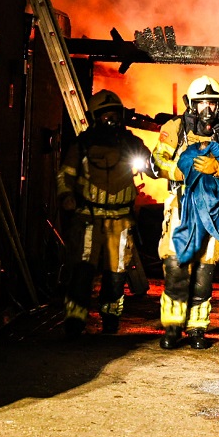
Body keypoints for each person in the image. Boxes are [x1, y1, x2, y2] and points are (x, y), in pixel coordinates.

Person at [151, 75, 219, 349]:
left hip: (212, 209)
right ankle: (172, 329)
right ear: (191, 104)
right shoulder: (175, 128)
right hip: (181, 206)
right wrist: (177, 170)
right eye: (202, 102)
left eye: (212, 103)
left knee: (204, 271)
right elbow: (158, 159)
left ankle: (197, 329)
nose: (207, 109)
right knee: (177, 268)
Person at [57, 90, 151, 336]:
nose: (112, 120)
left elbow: (153, 167)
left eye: (115, 114)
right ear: (95, 117)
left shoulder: (132, 143)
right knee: (82, 272)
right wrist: (66, 195)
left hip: (120, 220)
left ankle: (111, 319)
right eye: (105, 115)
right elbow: (65, 174)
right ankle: (75, 321)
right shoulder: (82, 144)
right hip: (89, 218)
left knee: (116, 274)